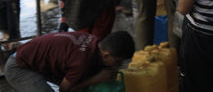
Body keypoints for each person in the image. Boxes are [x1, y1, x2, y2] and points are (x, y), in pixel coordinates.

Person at [4, 31, 135, 92]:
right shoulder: (82, 62)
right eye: (117, 62)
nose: (117, 66)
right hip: (19, 67)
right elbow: (64, 90)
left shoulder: (96, 42)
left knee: (84, 82)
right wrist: (97, 78)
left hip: (37, 61)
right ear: (107, 55)